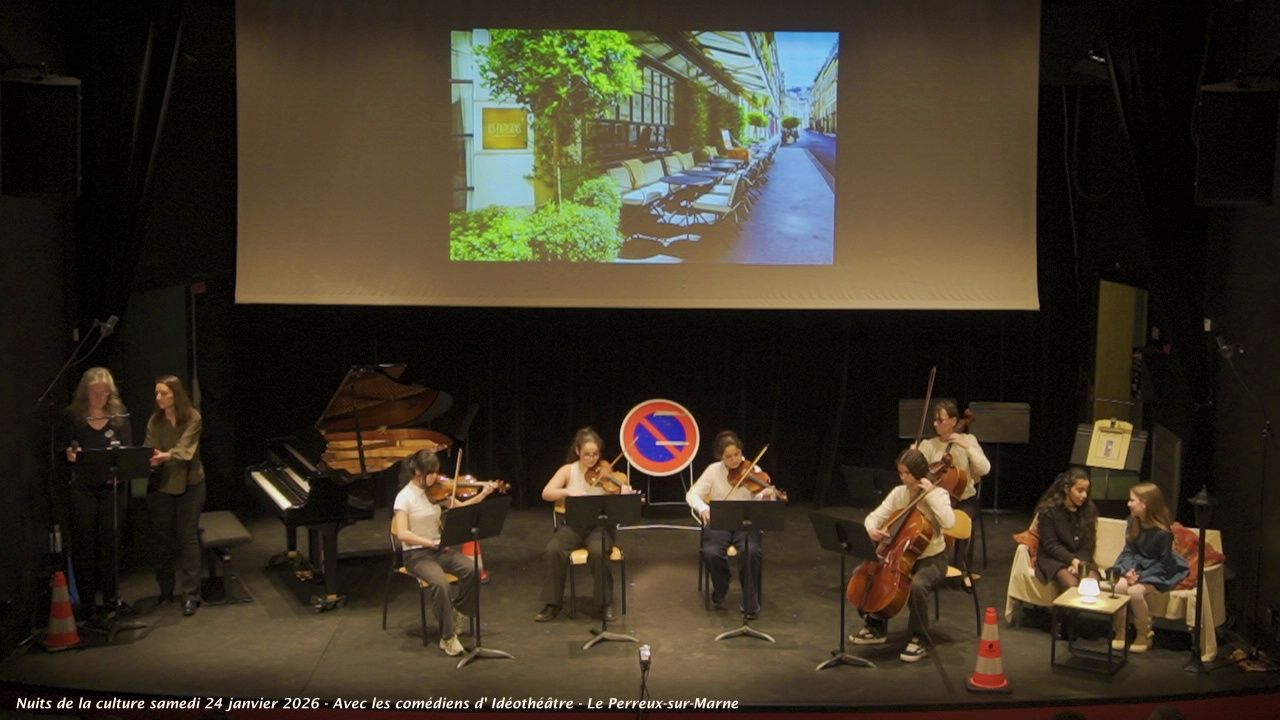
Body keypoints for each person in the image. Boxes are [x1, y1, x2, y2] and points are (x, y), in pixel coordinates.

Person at [850, 448, 955, 663]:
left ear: (918, 473)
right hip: (901, 554)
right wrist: (871, 529)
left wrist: (932, 494)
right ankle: (876, 626)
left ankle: (919, 639)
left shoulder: (938, 494)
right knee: (867, 575)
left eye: (907, 473)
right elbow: (874, 517)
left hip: (932, 558)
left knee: (917, 585)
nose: (903, 478)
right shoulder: (899, 493)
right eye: (901, 473)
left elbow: (949, 522)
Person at [392, 449, 498, 657]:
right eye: (429, 473)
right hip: (417, 555)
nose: (434, 477)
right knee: (441, 583)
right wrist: (429, 542)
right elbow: (403, 533)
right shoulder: (404, 497)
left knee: (473, 569)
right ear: (416, 471)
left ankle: (459, 610)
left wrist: (484, 493)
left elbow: (463, 510)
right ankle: (447, 637)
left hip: (439, 549)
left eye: (436, 472)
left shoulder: (436, 493)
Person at [535, 427, 638, 623]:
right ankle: (552, 603)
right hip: (572, 526)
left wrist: (624, 493)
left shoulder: (607, 473)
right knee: (553, 550)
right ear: (577, 452)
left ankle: (604, 603)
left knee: (599, 552)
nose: (591, 459)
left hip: (599, 527)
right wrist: (567, 493)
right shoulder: (568, 470)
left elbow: (619, 506)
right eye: (586, 455)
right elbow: (546, 493)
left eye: (595, 454)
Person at [685, 430, 781, 618]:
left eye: (737, 454)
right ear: (721, 457)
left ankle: (750, 603)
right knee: (711, 552)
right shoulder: (713, 471)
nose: (735, 460)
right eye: (729, 457)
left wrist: (768, 495)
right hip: (719, 522)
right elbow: (692, 494)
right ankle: (722, 585)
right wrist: (704, 508)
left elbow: (761, 499)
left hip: (746, 523)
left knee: (751, 551)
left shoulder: (754, 470)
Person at [63, 367, 134, 617]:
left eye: (105, 393)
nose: (100, 398)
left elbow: (128, 453)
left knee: (111, 543)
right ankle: (87, 602)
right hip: (83, 488)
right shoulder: (74, 417)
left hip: (111, 489)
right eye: (95, 393)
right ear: (85, 392)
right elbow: (63, 450)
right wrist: (69, 454)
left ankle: (112, 597)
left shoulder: (119, 417)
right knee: (85, 543)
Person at [145, 374, 204, 616]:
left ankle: (191, 594)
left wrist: (165, 456)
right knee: (162, 538)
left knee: (187, 536)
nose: (158, 398)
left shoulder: (192, 417)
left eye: (163, 393)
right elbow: (150, 447)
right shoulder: (155, 421)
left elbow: (185, 450)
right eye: (157, 393)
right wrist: (152, 459)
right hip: (163, 484)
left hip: (191, 483)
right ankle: (166, 591)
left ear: (175, 395)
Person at [913, 400, 989, 580]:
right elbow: (915, 474)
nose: (935, 423)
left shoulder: (969, 440)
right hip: (934, 501)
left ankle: (962, 569)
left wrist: (967, 447)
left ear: (954, 421)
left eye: (941, 420)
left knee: (961, 520)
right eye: (935, 420)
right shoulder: (928, 445)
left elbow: (985, 469)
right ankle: (924, 565)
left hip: (963, 500)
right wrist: (912, 456)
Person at [1109, 482, 1189, 653]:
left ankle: (1144, 634)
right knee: (1119, 586)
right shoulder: (1133, 522)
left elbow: (1163, 562)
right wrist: (1128, 571)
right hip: (1136, 567)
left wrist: (1140, 576)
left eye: (1132, 500)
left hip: (1157, 570)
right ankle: (1120, 631)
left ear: (1145, 504)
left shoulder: (1162, 533)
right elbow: (1128, 551)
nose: (1128, 504)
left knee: (1135, 592)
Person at [1033, 467, 1100, 589]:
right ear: (1067, 489)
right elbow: (1051, 544)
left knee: (1092, 583)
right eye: (1080, 491)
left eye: (1087, 491)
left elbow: (1089, 543)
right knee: (1071, 584)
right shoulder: (1049, 511)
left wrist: (1079, 563)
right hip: (1054, 559)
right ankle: (1063, 608)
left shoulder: (1089, 510)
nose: (1084, 495)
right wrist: (1072, 561)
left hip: (1082, 559)